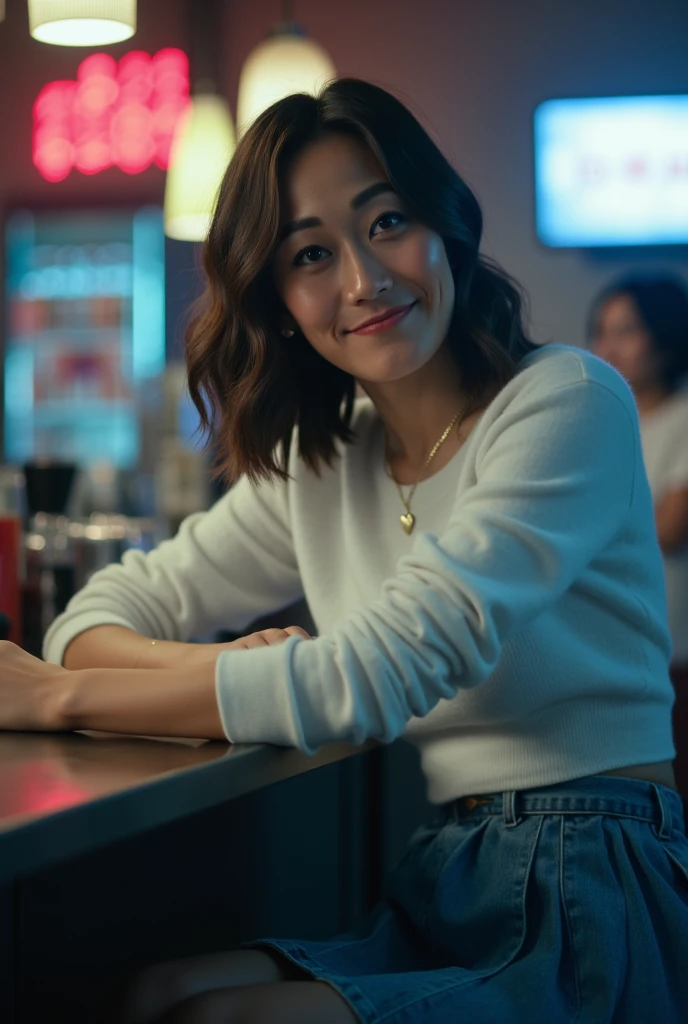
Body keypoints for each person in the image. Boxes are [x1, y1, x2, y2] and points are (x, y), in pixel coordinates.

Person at [1, 78, 687, 1024]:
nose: (366, 280)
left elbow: (370, 678)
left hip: (595, 876)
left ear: (443, 224)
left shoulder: (566, 400)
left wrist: (60, 695)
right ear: (279, 301)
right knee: (155, 990)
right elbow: (97, 616)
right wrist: (202, 665)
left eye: (388, 220)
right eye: (313, 254)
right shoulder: (325, 457)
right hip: (450, 864)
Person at [590, 276, 688, 813]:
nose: (609, 347)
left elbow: (670, 527)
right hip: (615, 657)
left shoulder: (682, 417)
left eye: (626, 331)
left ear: (665, 335)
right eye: (601, 332)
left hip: (676, 650)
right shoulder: (603, 421)